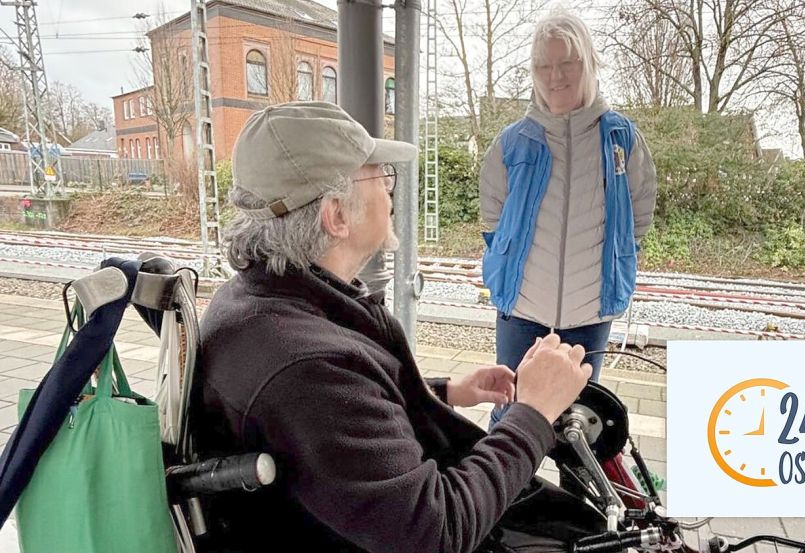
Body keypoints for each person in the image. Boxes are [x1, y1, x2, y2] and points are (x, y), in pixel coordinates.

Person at [195, 101, 598, 553]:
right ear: (337, 216)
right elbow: (435, 532)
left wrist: (441, 392)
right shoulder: (304, 367)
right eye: (380, 175)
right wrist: (534, 415)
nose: (390, 192)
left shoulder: (268, 302)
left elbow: (339, 422)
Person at [479, 12, 658, 427]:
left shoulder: (620, 138)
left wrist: (617, 259)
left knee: (579, 424)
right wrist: (509, 266)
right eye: (544, 66)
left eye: (567, 63)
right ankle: (506, 493)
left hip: (590, 314)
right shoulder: (513, 142)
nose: (555, 76)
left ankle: (570, 495)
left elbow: (640, 208)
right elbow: (492, 217)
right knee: (512, 416)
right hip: (522, 312)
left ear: (588, 64)